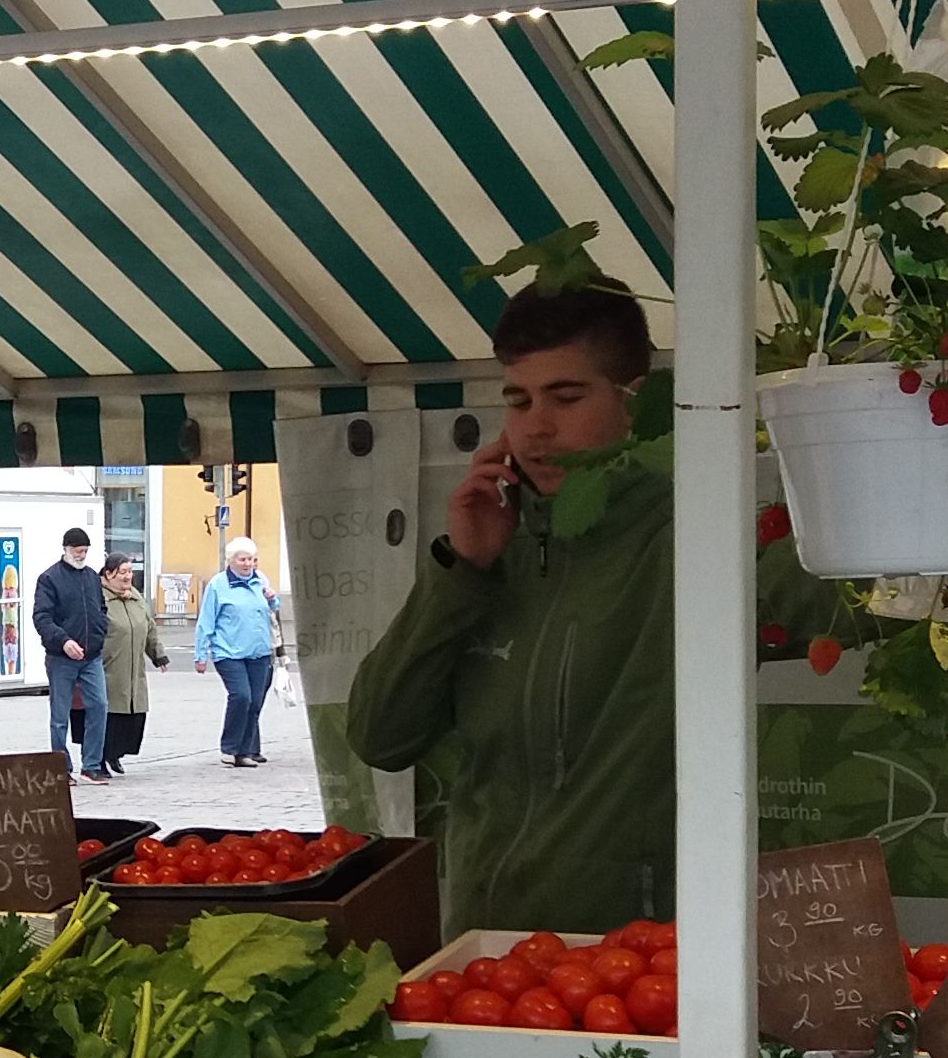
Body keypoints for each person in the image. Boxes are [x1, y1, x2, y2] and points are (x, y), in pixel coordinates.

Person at [346, 280, 674, 936]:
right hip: (485, 942)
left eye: (566, 397)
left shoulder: (688, 540)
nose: (536, 427)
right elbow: (380, 737)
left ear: (635, 401)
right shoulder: (493, 552)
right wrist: (461, 571)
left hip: (631, 954)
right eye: (518, 401)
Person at [195, 537, 282, 770]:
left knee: (255, 702)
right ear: (231, 560)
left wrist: (273, 598)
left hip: (259, 652)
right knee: (241, 696)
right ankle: (229, 748)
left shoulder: (260, 580)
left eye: (252, 559)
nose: (248, 564)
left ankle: (245, 752)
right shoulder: (218, 585)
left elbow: (273, 609)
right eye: (243, 559)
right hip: (229, 652)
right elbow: (206, 621)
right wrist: (200, 654)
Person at [31, 527, 110, 779]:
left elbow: (101, 609)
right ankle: (61, 768)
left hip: (91, 656)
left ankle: (92, 765)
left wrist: (100, 632)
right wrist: (63, 641)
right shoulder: (49, 578)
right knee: (60, 715)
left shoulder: (92, 577)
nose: (81, 555)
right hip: (61, 658)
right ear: (65, 549)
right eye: (77, 550)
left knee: (99, 706)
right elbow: (42, 617)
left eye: (85, 551)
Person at [97, 555, 154, 778]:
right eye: (122, 572)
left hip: (133, 669)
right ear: (109, 574)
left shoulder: (135, 597)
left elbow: (149, 627)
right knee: (110, 716)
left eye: (130, 571)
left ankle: (115, 754)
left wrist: (158, 655)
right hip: (108, 667)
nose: (128, 576)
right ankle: (100, 757)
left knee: (133, 716)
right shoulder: (100, 598)